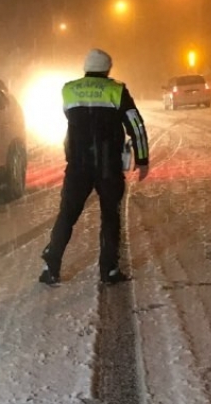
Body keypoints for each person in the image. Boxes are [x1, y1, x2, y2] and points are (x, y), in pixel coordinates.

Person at [38, 48, 149, 287]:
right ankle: (108, 269)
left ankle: (52, 264)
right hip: (108, 165)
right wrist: (142, 159)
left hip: (78, 164)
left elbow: (69, 115)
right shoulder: (116, 90)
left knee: (67, 214)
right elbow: (136, 125)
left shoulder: (69, 89)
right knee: (110, 215)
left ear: (86, 67)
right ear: (107, 69)